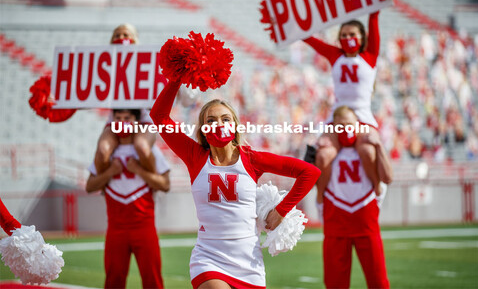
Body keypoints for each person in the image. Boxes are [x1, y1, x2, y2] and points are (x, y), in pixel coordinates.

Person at [149, 79, 321, 289]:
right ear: (203, 129)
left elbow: (310, 172)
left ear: (235, 125)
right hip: (209, 258)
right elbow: (159, 117)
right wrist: (177, 77)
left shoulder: (251, 159)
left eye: (225, 119)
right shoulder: (194, 156)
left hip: (249, 262)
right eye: (211, 120)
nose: (219, 124)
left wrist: (281, 210)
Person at [304, 11, 389, 200]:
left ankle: (376, 188)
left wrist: (379, 1)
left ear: (362, 37)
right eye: (343, 35)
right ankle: (321, 197)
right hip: (338, 117)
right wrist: (284, 25)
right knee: (323, 155)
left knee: (367, 151)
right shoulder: (335, 55)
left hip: (363, 117)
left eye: (352, 34)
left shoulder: (370, 55)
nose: (348, 38)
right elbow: (309, 39)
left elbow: (373, 17)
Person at [86, 109, 171, 289]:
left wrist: (138, 170)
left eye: (127, 118)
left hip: (144, 226)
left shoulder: (149, 150)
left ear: (137, 121)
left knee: (153, 281)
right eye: (118, 118)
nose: (122, 122)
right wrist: (110, 172)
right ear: (111, 120)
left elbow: (165, 184)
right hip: (116, 228)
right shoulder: (106, 152)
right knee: (113, 281)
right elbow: (89, 186)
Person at [319, 106, 391, 289]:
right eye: (340, 126)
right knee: (335, 283)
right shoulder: (327, 149)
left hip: (365, 221)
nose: (346, 130)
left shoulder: (366, 149)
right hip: (336, 221)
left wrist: (379, 145)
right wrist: (315, 147)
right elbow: (306, 172)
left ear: (358, 125)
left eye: (350, 125)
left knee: (378, 281)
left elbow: (388, 178)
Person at [94, 24, 158, 176]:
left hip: (142, 117)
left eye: (125, 35)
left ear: (134, 39)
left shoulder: (146, 62)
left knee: (142, 147)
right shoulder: (104, 64)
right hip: (116, 118)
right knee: (102, 150)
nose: (121, 38)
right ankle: (105, 184)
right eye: (117, 35)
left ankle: (155, 180)